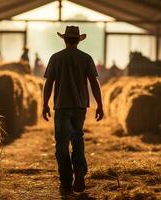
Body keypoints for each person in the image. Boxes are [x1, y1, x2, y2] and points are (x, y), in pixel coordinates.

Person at [42, 26, 104, 194]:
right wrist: (100, 105)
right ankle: (79, 173)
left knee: (61, 144)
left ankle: (66, 181)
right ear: (78, 40)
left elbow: (48, 84)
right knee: (77, 138)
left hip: (61, 106)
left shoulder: (56, 58)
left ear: (64, 39)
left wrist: (44, 104)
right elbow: (93, 82)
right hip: (79, 106)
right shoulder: (86, 58)